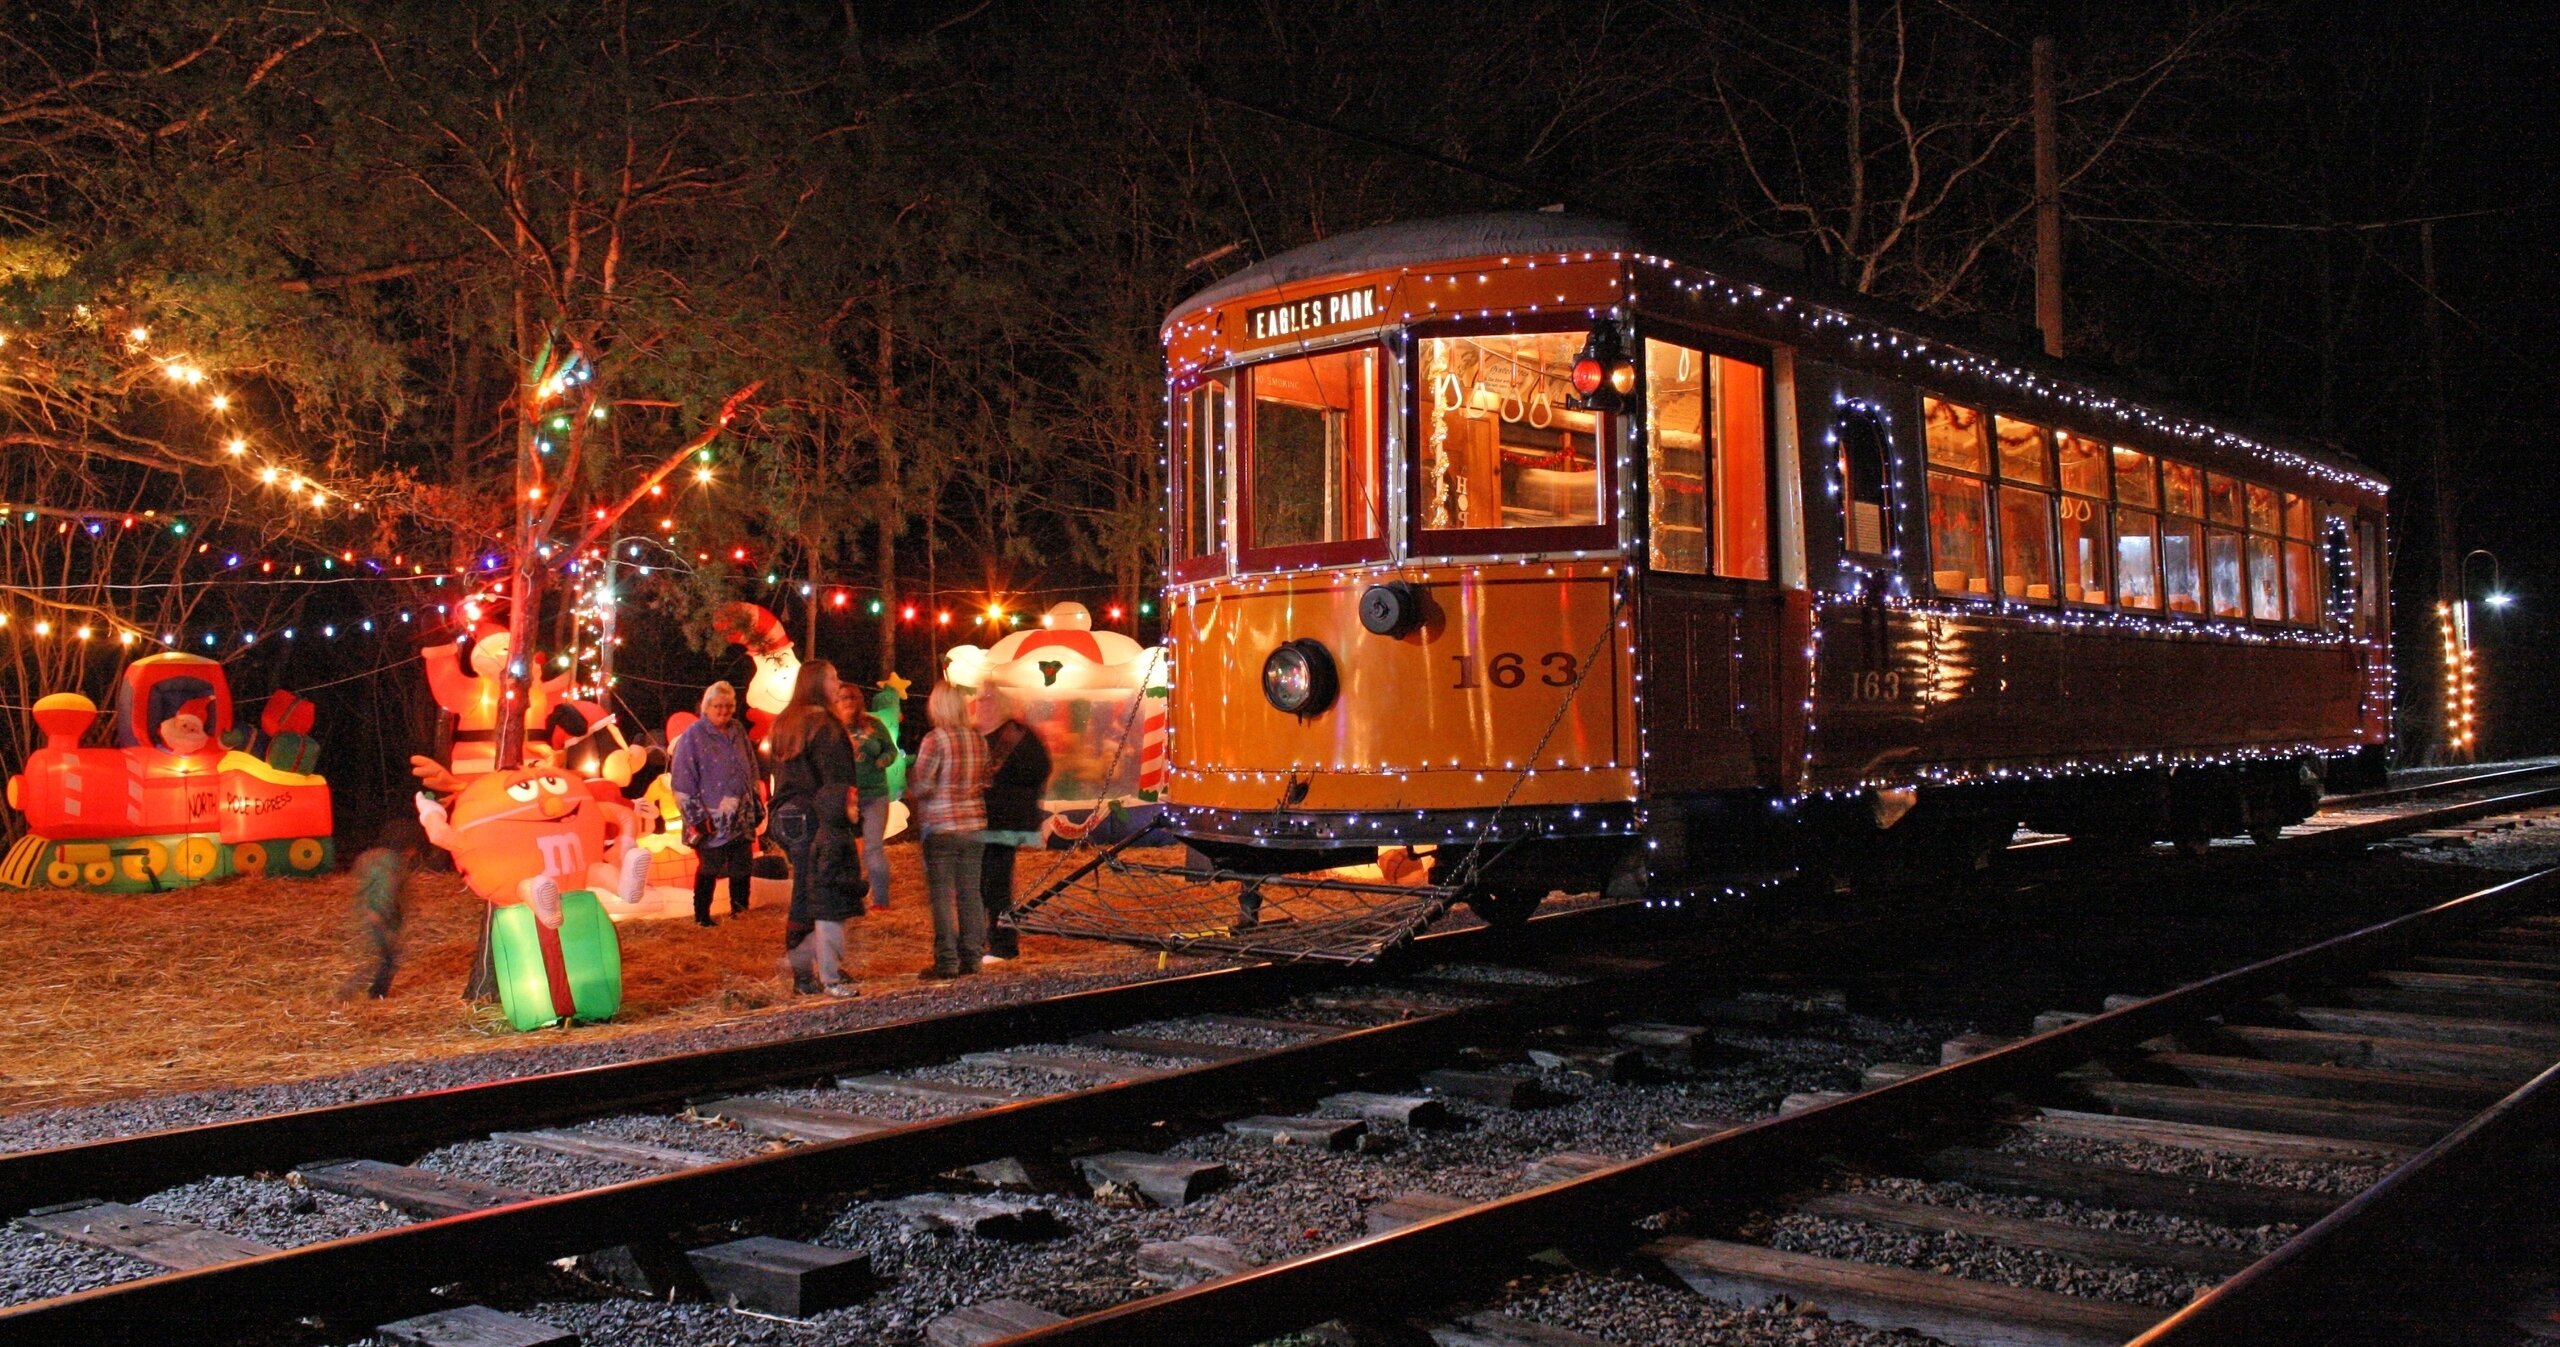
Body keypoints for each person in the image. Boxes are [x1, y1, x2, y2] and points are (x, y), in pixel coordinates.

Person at [767, 660, 865, 997]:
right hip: (813, 814)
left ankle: (813, 970)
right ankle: (810, 975)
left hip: (785, 814)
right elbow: (836, 783)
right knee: (818, 893)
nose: (839, 684)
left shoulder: (785, 723)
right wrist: (849, 824)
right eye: (833, 678)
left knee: (804, 889)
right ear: (816, 685)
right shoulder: (825, 726)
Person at [906, 681, 988, 979]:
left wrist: (911, 781)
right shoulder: (978, 739)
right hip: (975, 824)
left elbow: (924, 785)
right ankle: (973, 958)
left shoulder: (935, 739)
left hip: (942, 825)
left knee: (942, 896)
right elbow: (985, 779)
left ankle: (947, 961)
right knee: (970, 893)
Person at [669, 681, 763, 926]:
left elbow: (751, 766)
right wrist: (697, 817)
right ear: (707, 707)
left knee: (742, 865)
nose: (724, 711)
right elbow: (682, 780)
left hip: (740, 816)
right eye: (718, 706)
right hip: (710, 818)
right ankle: (702, 918)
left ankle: (740, 914)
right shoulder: (693, 736)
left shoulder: (737, 730)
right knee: (710, 866)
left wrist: (755, 800)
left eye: (729, 706)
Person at [975, 690, 1050, 963]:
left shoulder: (1016, 735)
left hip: (1004, 821)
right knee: (981, 884)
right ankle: (988, 937)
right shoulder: (977, 733)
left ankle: (1003, 944)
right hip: (980, 819)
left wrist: (1006, 788)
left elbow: (1039, 769)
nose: (980, 704)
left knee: (996, 885)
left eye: (987, 700)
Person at [338, 817, 423, 999]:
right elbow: (386, 887)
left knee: (381, 958)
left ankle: (368, 994)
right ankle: (372, 996)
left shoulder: (372, 856)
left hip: (366, 912)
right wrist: (379, 911)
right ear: (406, 846)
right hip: (378, 917)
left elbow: (361, 880)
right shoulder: (392, 863)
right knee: (388, 959)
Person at [835, 682, 899, 911]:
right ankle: (849, 899)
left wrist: (885, 759)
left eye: (852, 697)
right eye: (843, 698)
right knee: (846, 849)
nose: (848, 702)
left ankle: (880, 900)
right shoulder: (832, 728)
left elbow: (891, 750)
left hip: (874, 794)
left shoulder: (873, 725)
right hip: (845, 797)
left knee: (873, 848)